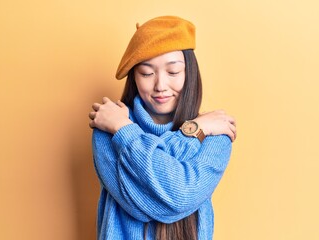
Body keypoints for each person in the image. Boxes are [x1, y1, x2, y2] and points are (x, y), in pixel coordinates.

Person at [89, 16, 236, 240]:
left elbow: (180, 196)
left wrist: (124, 131)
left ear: (190, 74)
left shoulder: (216, 134)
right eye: (147, 73)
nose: (160, 86)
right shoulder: (107, 128)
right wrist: (194, 131)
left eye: (173, 72)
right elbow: (139, 207)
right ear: (134, 77)